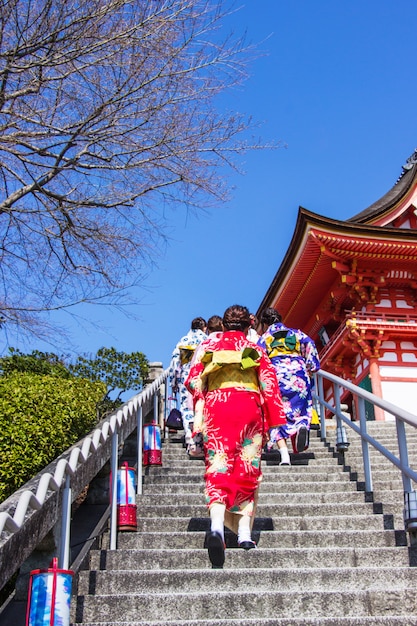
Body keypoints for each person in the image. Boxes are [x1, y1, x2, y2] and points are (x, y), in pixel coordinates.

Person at [185, 304, 286, 568]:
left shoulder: (210, 347)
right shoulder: (256, 349)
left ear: (226, 325)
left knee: (218, 465)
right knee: (247, 467)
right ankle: (244, 534)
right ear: (247, 325)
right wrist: (275, 420)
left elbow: (194, 380)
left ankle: (217, 527)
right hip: (248, 407)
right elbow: (269, 383)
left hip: (218, 407)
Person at [257, 307, 320, 466]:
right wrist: (311, 367)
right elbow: (310, 345)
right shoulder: (297, 334)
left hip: (276, 377)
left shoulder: (265, 338)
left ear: (265, 323)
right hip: (298, 375)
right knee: (300, 409)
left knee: (275, 415)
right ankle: (300, 427)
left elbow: (258, 357)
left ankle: (285, 456)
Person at [169, 317, 207, 451]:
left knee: (187, 409)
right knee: (201, 408)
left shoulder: (183, 340)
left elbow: (175, 363)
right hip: (203, 376)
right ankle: (202, 441)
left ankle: (191, 441)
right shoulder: (206, 340)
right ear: (204, 328)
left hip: (185, 378)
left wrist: (173, 382)